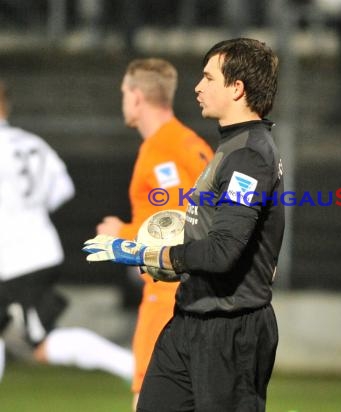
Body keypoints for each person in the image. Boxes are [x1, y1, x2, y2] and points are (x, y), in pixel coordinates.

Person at [83, 38, 284, 411]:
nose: (197, 87)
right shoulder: (228, 147)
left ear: (237, 88)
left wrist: (139, 249)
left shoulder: (249, 156)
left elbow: (223, 249)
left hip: (229, 326)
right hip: (190, 313)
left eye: (208, 78)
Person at [93, 58, 213, 409]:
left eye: (123, 93)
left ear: (135, 96)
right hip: (197, 295)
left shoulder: (164, 151)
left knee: (147, 400)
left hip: (170, 294)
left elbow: (178, 226)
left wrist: (119, 235)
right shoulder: (191, 143)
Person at [0, 79, 133, 383]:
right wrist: (27, 211)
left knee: (40, 344)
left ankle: (130, 364)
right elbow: (62, 189)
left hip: (14, 258)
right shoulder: (32, 143)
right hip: (38, 246)